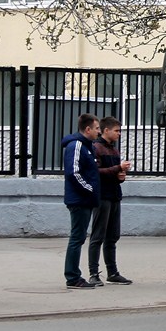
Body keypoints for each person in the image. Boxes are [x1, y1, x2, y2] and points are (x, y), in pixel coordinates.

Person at [87, 116, 132, 286]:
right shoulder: (96, 148)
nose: (119, 134)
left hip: (114, 195)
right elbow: (96, 172)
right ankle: (93, 273)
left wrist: (121, 176)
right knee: (98, 236)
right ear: (106, 130)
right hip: (102, 196)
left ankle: (112, 272)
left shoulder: (113, 150)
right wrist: (118, 169)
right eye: (117, 131)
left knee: (112, 236)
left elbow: (112, 173)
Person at [63, 113, 101, 289]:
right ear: (87, 129)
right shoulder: (76, 145)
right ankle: (72, 277)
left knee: (78, 237)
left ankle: (73, 275)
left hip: (85, 199)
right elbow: (74, 173)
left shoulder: (88, 146)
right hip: (79, 199)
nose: (98, 132)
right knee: (77, 238)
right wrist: (90, 189)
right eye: (96, 128)